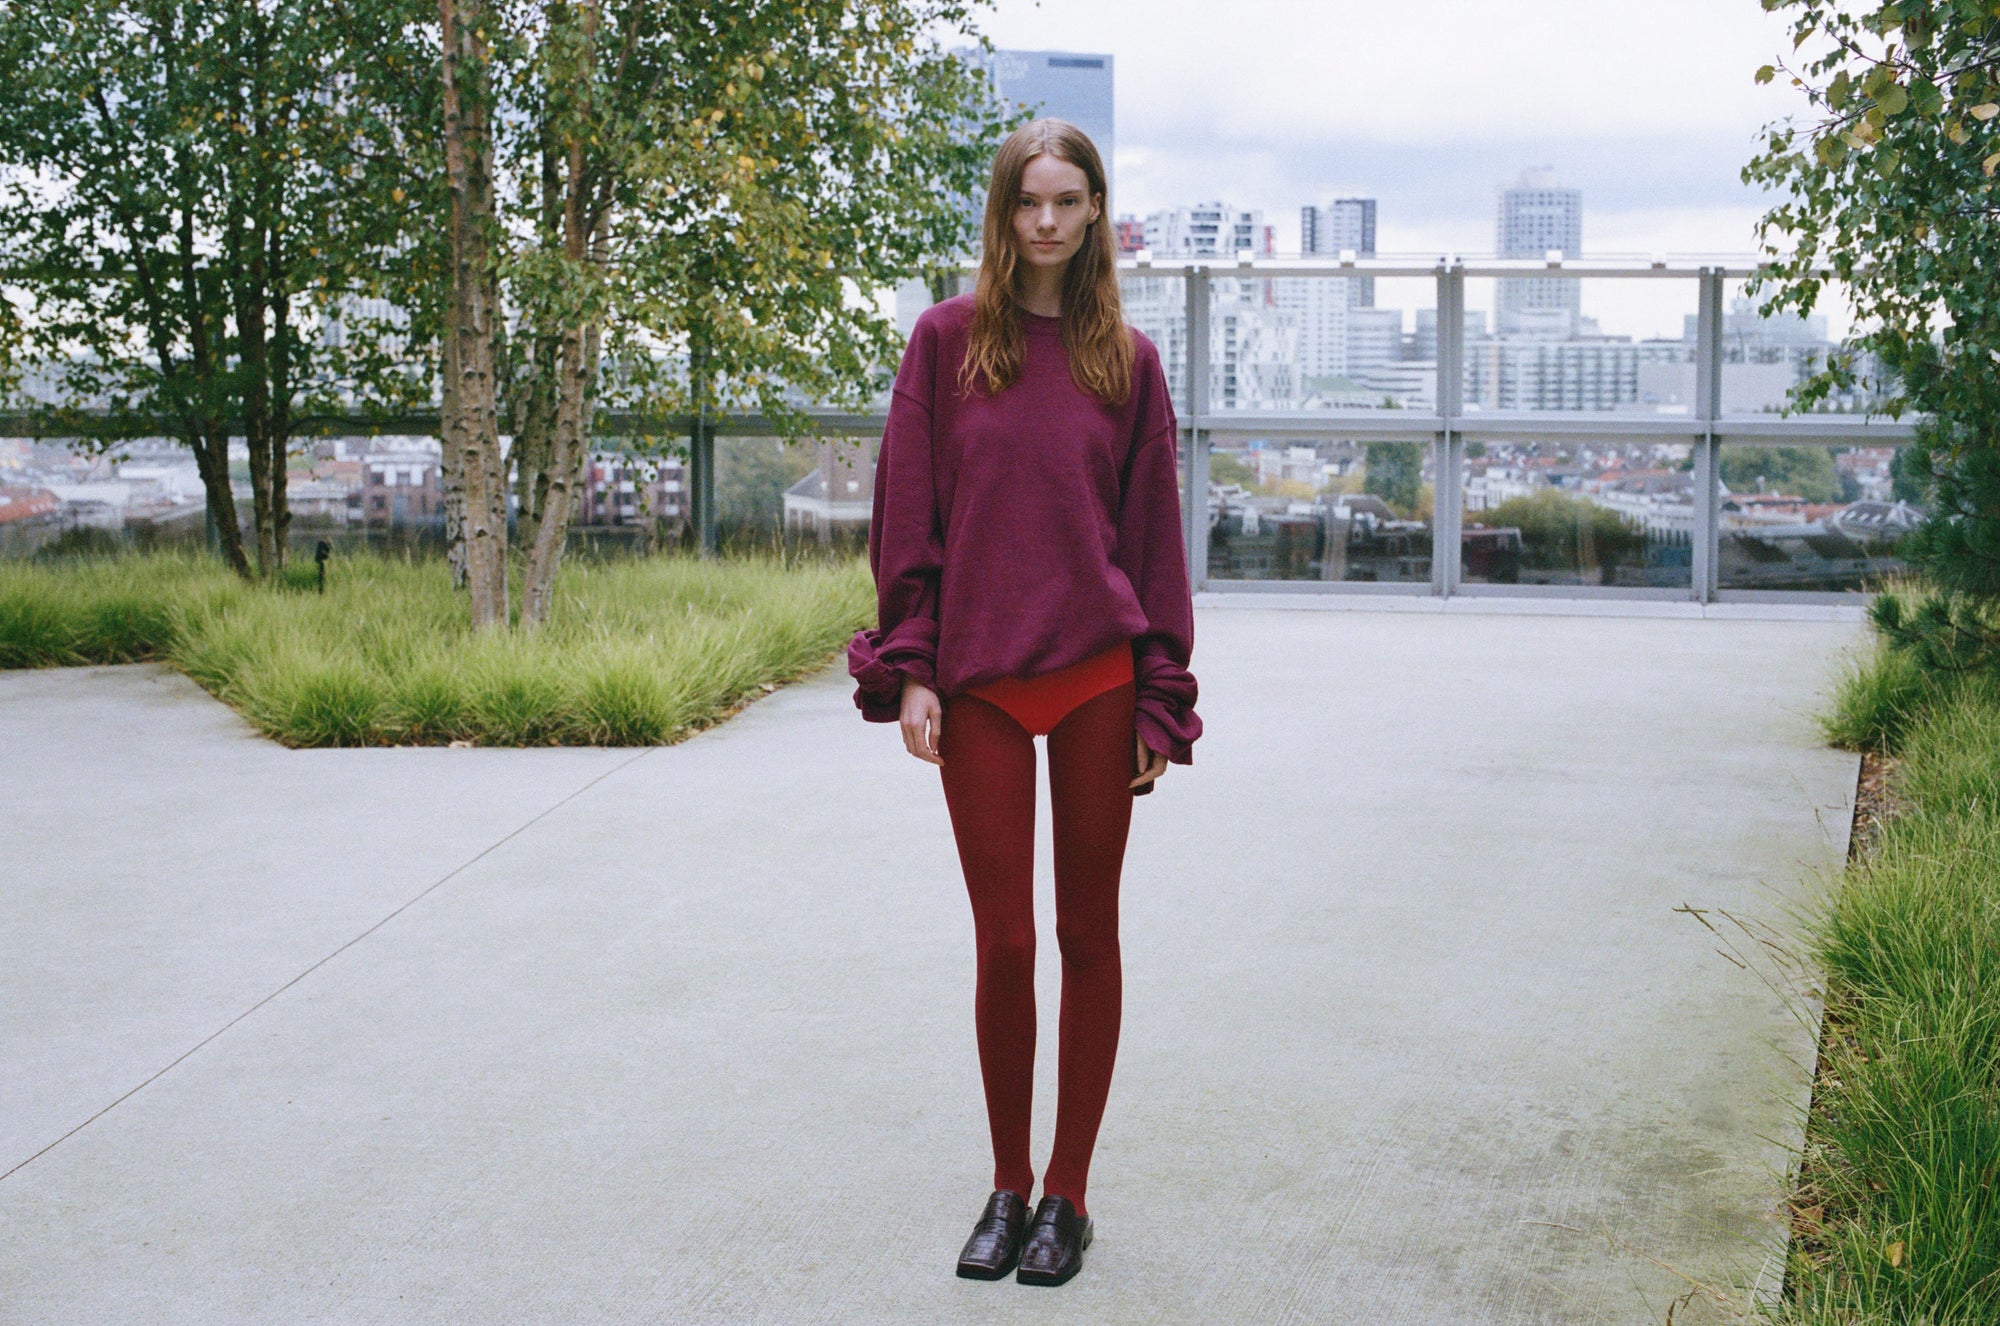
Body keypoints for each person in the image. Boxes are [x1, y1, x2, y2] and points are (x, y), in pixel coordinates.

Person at [846, 117, 1203, 1288]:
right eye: (1025, 202)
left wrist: (1159, 702)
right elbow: (909, 516)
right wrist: (909, 665)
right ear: (1001, 215)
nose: (1044, 221)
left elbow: (1152, 540)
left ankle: (1069, 1195)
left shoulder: (1126, 362)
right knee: (1003, 943)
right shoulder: (945, 345)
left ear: (1095, 211)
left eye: (1065, 200)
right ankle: (1005, 1187)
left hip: (1099, 676)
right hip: (984, 682)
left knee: (1084, 935)